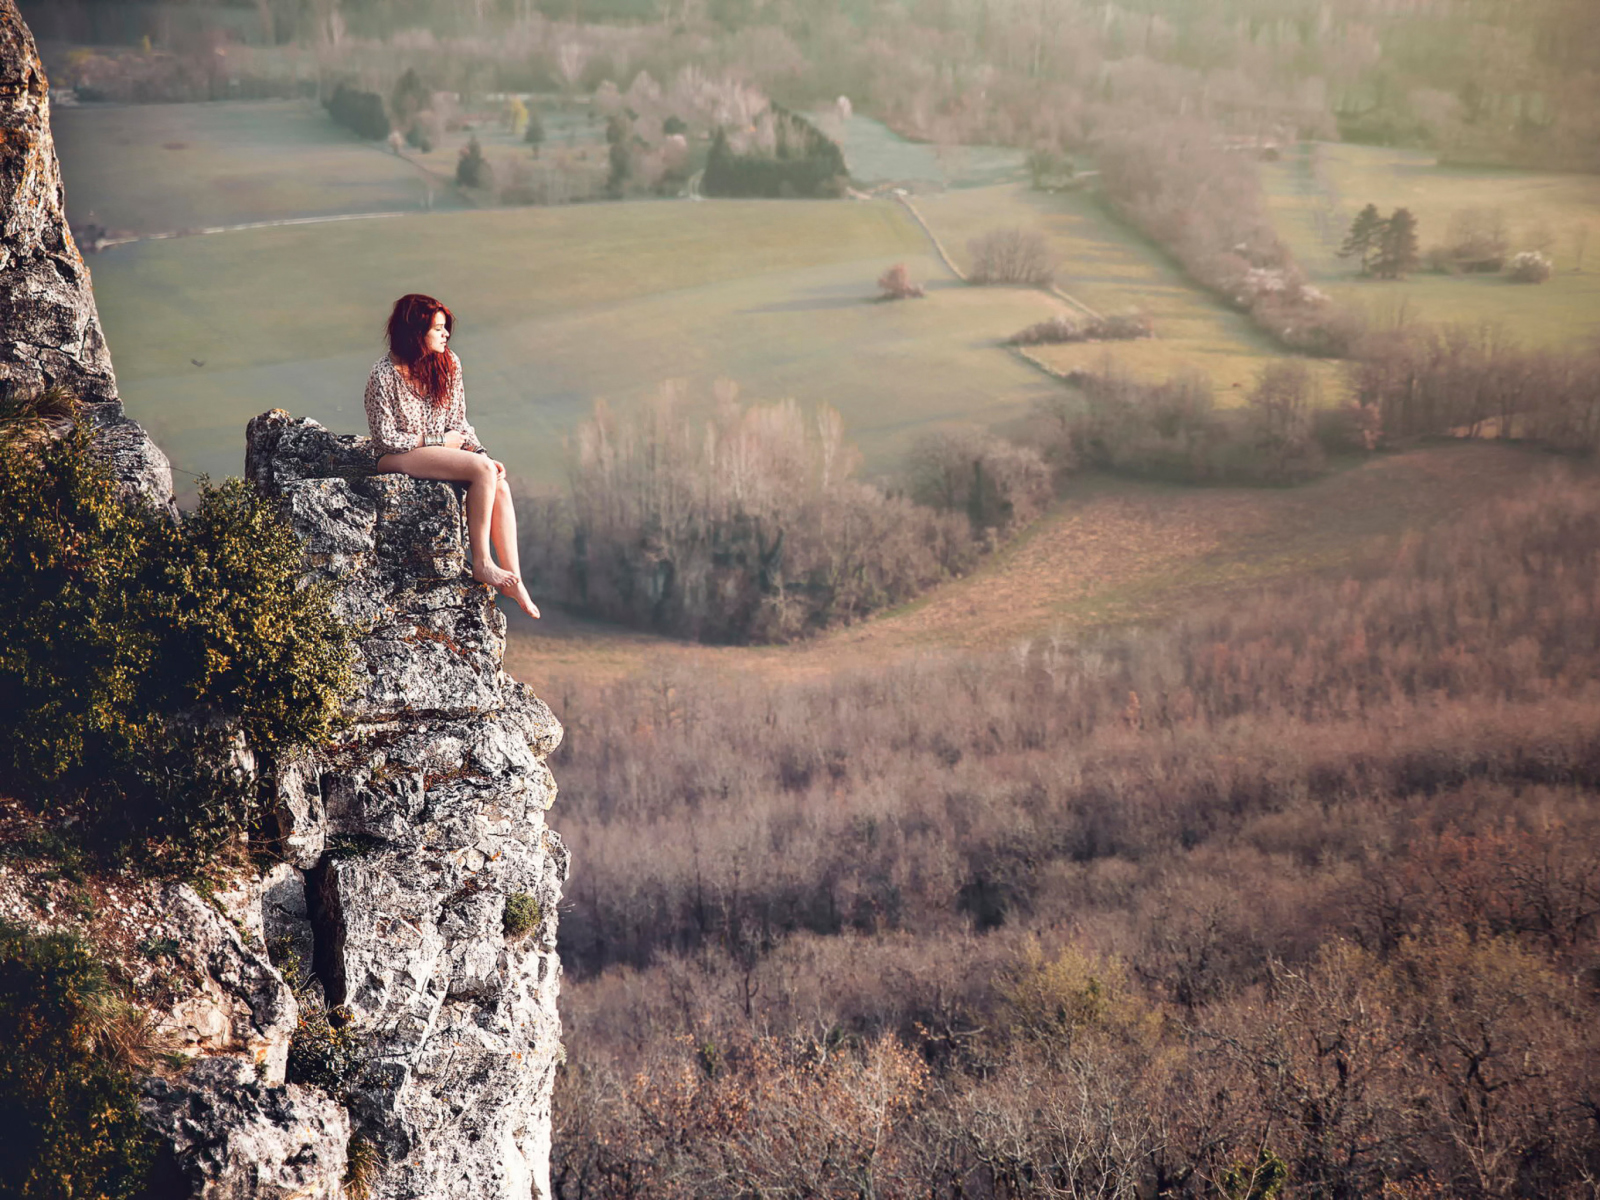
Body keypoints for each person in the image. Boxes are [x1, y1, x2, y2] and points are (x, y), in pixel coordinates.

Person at [364, 293, 539, 619]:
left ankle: (514, 579)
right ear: (416, 332)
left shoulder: (449, 364)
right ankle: (483, 563)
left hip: (436, 451)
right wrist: (437, 441)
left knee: (498, 481)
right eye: (438, 329)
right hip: (395, 456)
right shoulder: (383, 375)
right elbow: (385, 438)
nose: (446, 335)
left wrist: (480, 453)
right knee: (483, 471)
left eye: (446, 329)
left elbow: (459, 423)